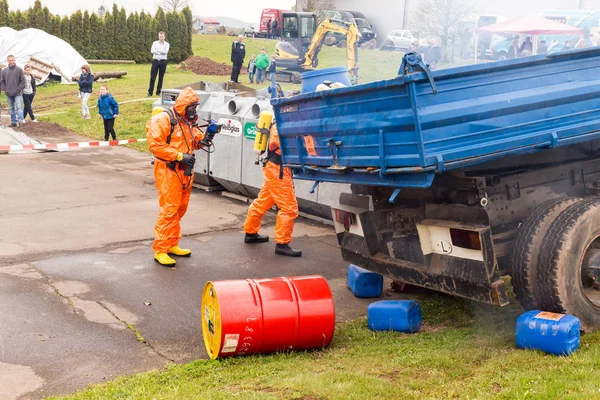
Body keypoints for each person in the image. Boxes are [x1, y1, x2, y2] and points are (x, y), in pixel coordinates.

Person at [146, 87, 214, 267]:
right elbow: (155, 145)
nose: (194, 111)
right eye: (192, 108)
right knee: (169, 210)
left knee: (180, 209)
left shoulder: (188, 123)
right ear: (184, 106)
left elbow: (197, 142)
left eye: (195, 108)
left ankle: (172, 243)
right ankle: (160, 249)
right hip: (168, 170)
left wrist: (210, 135)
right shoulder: (163, 120)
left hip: (185, 171)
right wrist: (179, 156)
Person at [244, 120, 301, 257]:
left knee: (263, 201)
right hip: (278, 170)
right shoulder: (281, 125)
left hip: (276, 168)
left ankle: (250, 233)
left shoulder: (281, 122)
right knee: (289, 207)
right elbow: (280, 144)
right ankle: (282, 244)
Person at [1, 55, 25, 127]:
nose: (11, 62)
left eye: (12, 60)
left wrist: (18, 89)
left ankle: (20, 122)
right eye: (10, 60)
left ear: (15, 60)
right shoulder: (4, 71)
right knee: (11, 108)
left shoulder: (19, 69)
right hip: (8, 93)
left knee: (19, 107)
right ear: (8, 61)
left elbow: (23, 81)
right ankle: (13, 122)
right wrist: (5, 89)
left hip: (18, 93)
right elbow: (2, 81)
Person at [148, 31, 170, 97]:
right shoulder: (155, 43)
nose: (161, 38)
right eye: (160, 36)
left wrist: (157, 51)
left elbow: (165, 52)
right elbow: (152, 51)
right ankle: (150, 92)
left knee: (161, 78)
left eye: (162, 36)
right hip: (155, 61)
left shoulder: (167, 44)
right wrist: (161, 52)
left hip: (163, 62)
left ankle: (158, 92)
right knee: (152, 77)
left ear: (164, 37)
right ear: (158, 36)